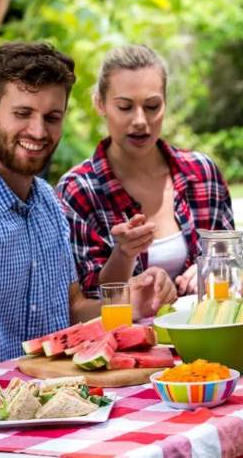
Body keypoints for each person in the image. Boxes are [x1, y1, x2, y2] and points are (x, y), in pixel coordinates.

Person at [0, 42, 176, 402]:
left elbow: (73, 308)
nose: (39, 131)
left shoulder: (46, 199)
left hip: (28, 405)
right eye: (23, 113)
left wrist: (130, 304)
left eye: (51, 117)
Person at [57, 44, 233, 297]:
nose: (140, 120)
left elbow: (230, 260)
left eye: (152, 106)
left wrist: (213, 270)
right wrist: (124, 254)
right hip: (129, 335)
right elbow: (87, 300)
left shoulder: (202, 174)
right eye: (125, 107)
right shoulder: (78, 190)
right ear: (100, 104)